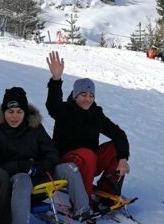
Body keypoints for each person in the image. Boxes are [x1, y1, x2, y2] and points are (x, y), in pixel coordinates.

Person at [0, 87, 104, 224]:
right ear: (3, 112)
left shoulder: (35, 129)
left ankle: (85, 216)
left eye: (19, 111)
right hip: (16, 188)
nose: (14, 116)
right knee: (22, 177)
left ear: (26, 112)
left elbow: (52, 152)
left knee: (70, 167)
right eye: (10, 111)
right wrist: (20, 166)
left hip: (39, 176)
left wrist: (42, 165)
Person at [45, 51, 130, 202]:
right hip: (67, 163)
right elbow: (53, 106)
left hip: (89, 163)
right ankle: (82, 200)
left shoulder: (96, 114)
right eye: (83, 95)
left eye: (91, 96)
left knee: (114, 148)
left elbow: (119, 134)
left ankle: (107, 191)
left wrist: (123, 158)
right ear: (75, 96)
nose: (88, 99)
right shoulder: (65, 110)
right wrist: (56, 79)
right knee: (87, 154)